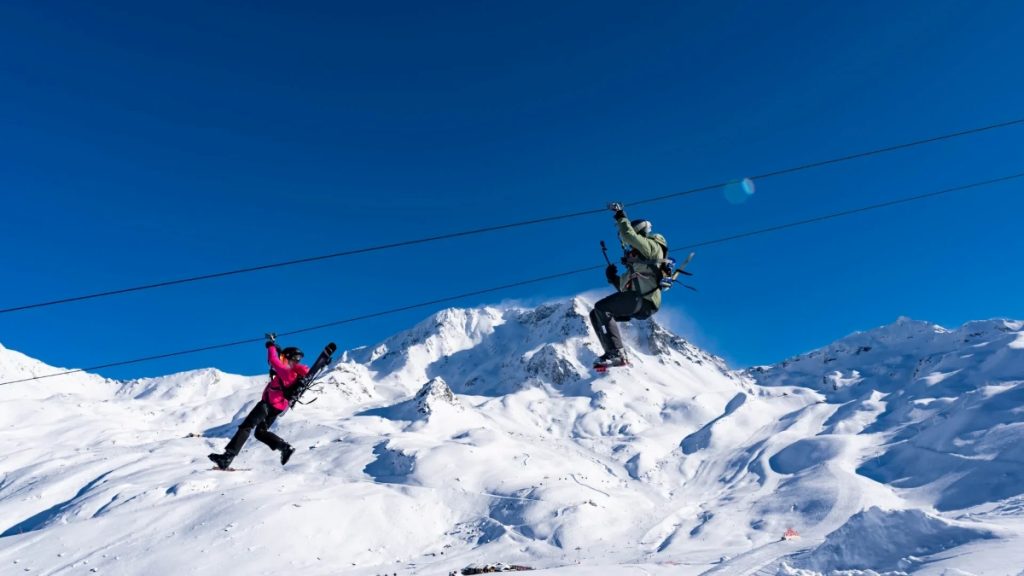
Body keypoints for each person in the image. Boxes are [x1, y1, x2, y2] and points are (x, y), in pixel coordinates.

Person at [590, 204, 670, 369]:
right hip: (637, 301)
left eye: (633, 247)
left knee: (602, 307)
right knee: (596, 313)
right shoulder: (636, 266)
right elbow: (622, 288)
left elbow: (628, 235)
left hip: (644, 300)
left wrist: (620, 215)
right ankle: (611, 353)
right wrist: (612, 277)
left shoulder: (652, 248)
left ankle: (617, 353)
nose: (630, 250)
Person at [208, 340, 308, 470]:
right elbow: (278, 365)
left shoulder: (285, 371)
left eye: (284, 357)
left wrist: (270, 346)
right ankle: (284, 447)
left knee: (246, 426)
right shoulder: (296, 374)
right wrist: (279, 350)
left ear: (289, 358)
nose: (281, 360)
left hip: (267, 405)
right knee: (260, 432)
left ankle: (227, 458)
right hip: (277, 408)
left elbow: (273, 360)